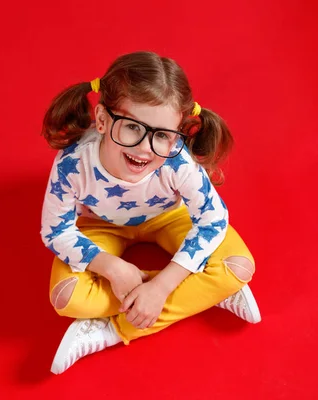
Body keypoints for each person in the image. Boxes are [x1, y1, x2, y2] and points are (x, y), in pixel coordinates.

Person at [40, 51, 261, 375]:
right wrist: (113, 269)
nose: (145, 148)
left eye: (161, 135)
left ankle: (112, 330)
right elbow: (56, 230)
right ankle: (203, 290)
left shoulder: (177, 160)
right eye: (132, 127)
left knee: (239, 267)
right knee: (66, 298)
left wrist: (160, 288)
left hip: (168, 218)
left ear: (177, 132)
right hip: (101, 226)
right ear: (101, 119)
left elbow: (212, 220)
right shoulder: (74, 164)